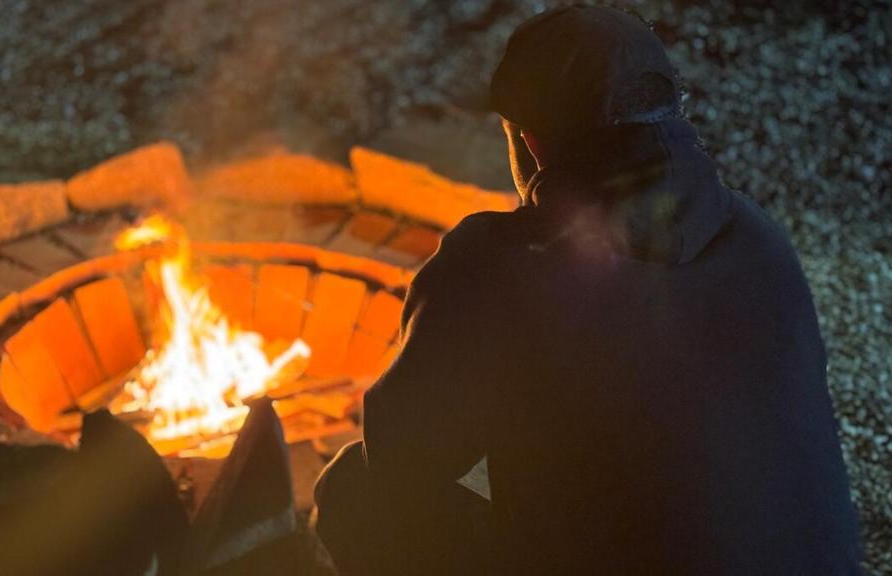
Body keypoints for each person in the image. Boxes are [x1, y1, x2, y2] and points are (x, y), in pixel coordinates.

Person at [314, 5, 863, 575]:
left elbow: (405, 456)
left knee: (355, 492)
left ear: (531, 140)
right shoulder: (760, 241)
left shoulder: (496, 264)